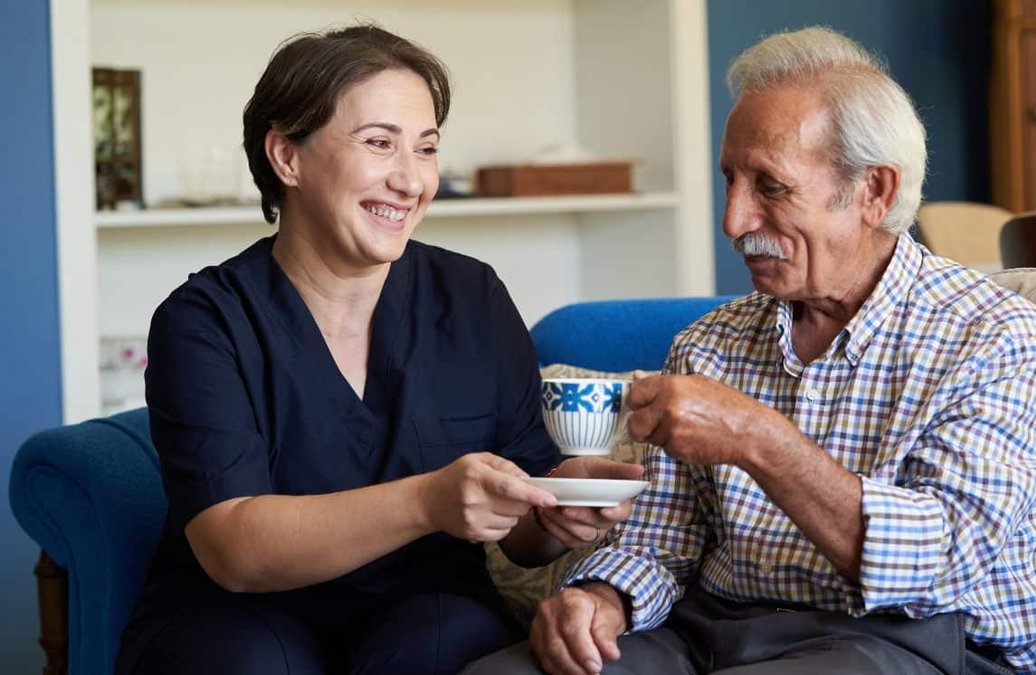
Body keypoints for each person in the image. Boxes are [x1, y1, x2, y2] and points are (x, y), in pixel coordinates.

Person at [465, 26, 1036, 675]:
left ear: (875, 193)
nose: (733, 220)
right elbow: (661, 541)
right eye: (730, 180)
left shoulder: (1001, 339)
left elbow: (944, 559)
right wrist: (600, 596)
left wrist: (757, 437)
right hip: (711, 628)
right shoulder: (710, 343)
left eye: (770, 187)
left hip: (910, 639)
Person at [113, 24, 642, 675]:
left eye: (425, 149)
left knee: (451, 639)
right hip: (240, 614)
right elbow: (234, 551)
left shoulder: (472, 297)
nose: (411, 179)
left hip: (425, 609)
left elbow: (524, 537)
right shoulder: (206, 321)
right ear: (287, 157)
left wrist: (559, 505)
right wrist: (427, 500)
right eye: (379, 143)